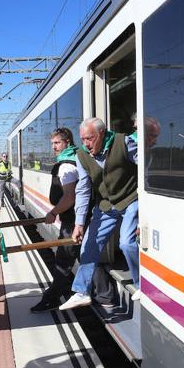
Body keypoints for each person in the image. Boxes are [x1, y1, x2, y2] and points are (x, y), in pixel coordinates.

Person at [59, 117, 139, 311]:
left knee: (127, 243)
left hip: (130, 199)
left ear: (102, 133)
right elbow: (84, 189)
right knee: (89, 245)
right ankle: (82, 292)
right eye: (83, 139)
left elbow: (146, 166)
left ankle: (141, 284)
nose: (85, 144)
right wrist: (79, 223)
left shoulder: (123, 142)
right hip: (105, 206)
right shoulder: (82, 155)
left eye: (89, 138)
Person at [30, 128, 81, 312]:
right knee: (84, 257)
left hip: (73, 220)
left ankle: (52, 298)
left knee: (63, 260)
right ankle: (104, 294)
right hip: (74, 218)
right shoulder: (76, 158)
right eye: (52, 144)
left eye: (57, 143)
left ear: (67, 141)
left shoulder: (67, 165)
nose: (54, 147)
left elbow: (70, 197)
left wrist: (53, 212)